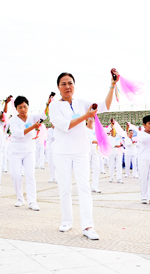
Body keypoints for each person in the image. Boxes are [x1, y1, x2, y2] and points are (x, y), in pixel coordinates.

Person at [48, 69, 118, 240]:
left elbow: (104, 106)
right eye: (63, 84)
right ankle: (66, 220)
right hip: (62, 153)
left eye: (70, 83)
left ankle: (88, 225)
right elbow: (64, 124)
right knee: (64, 187)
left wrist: (112, 85)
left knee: (84, 188)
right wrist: (86, 116)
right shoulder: (54, 105)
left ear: (74, 86)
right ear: (58, 87)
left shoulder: (81, 102)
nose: (67, 86)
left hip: (80, 152)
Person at [8, 96, 45, 210]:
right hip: (16, 151)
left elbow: (44, 115)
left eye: (25, 106)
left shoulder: (32, 117)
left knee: (30, 176)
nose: (23, 109)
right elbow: (17, 133)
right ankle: (20, 198)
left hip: (29, 150)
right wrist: (33, 127)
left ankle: (32, 201)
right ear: (16, 109)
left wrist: (48, 104)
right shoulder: (13, 120)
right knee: (16, 175)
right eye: (20, 107)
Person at [86, 118, 101, 193]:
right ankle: (86, 186)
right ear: (86, 120)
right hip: (87, 150)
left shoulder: (95, 129)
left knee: (96, 167)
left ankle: (95, 186)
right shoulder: (84, 129)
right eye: (89, 118)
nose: (91, 120)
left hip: (95, 149)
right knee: (86, 168)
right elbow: (84, 139)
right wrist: (92, 141)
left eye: (92, 118)